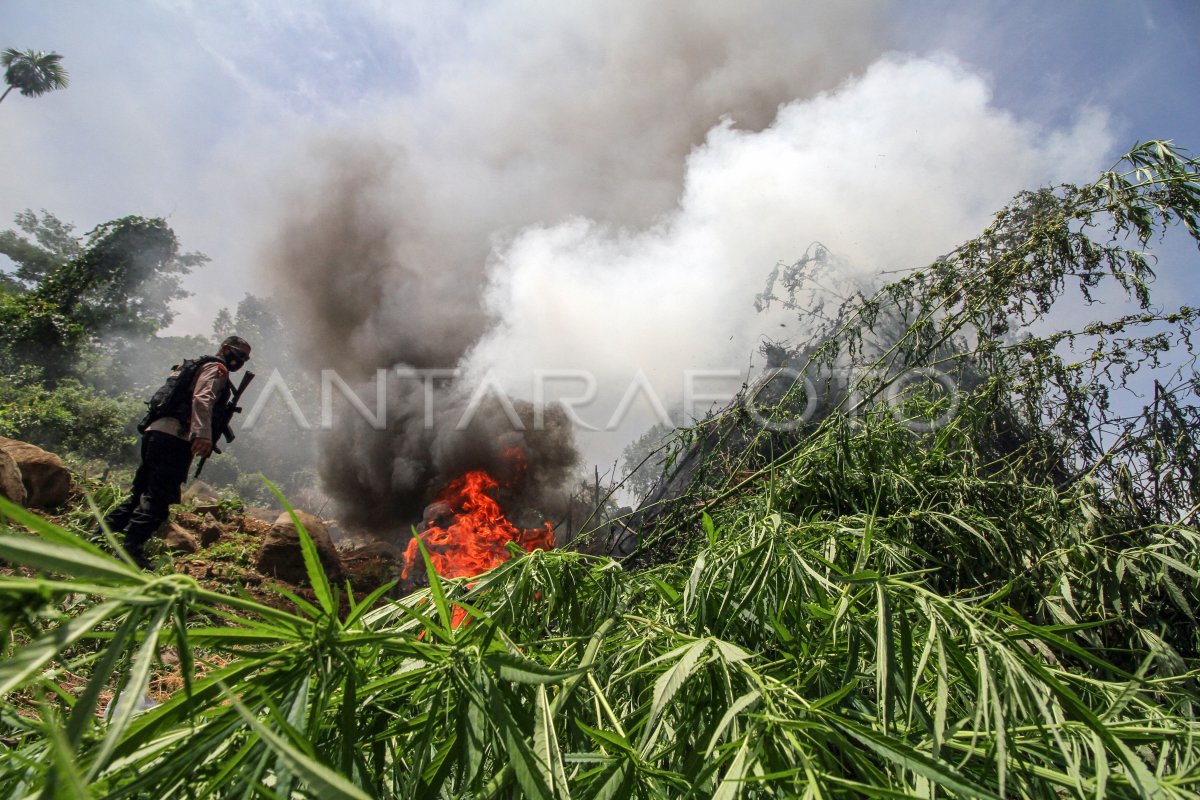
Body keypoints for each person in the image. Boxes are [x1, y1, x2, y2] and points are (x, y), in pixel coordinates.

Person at [104, 336, 252, 568]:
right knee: (159, 498)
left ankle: (101, 534)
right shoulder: (217, 368)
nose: (241, 360)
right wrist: (202, 434)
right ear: (224, 348)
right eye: (238, 353)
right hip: (175, 438)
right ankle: (130, 550)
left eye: (245, 358)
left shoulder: (196, 365)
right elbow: (202, 399)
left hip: (157, 433)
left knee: (141, 492)